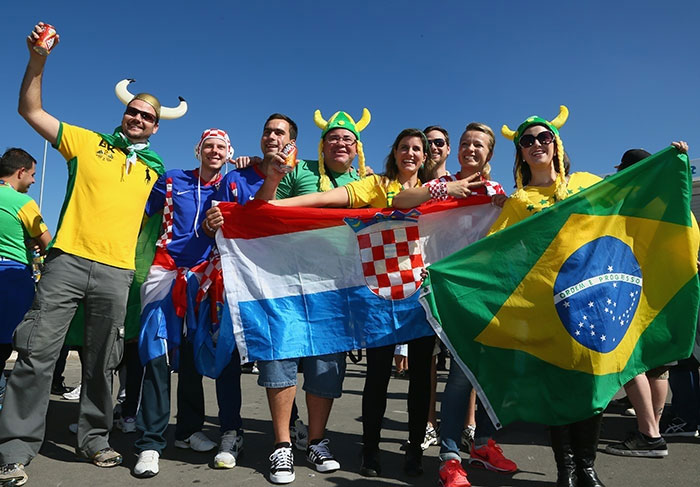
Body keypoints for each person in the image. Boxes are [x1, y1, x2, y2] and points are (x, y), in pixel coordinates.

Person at [0, 22, 186, 486]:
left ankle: (96, 439)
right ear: (124, 113)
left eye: (147, 116)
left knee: (104, 362)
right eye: (134, 112)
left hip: (117, 274)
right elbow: (30, 109)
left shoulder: (155, 171)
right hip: (65, 262)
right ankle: (15, 450)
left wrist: (244, 162)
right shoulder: (86, 142)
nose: (138, 119)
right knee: (37, 355)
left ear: (157, 126)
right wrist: (38, 59)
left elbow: (200, 188)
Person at [262, 127, 465, 479]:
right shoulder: (377, 186)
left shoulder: (442, 190)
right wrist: (271, 207)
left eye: (417, 149)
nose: (411, 154)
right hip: (378, 295)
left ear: (425, 156)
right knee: (377, 378)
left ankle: (415, 451)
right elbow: (328, 200)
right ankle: (369, 452)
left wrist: (491, 199)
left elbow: (464, 223)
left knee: (421, 380)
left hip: (420, 296)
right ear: (394, 152)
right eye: (404, 147)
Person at [220, 110, 370, 484]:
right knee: (279, 357)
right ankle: (282, 445)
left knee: (326, 364)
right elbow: (262, 210)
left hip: (333, 288)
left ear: (356, 149)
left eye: (347, 139)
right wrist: (271, 176)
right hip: (284, 282)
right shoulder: (297, 170)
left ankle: (317, 440)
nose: (340, 143)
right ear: (321, 145)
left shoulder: (365, 182)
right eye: (333, 138)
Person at [133, 128, 267, 477]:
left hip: (206, 277)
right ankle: (149, 442)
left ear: (228, 153)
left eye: (221, 147)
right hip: (166, 271)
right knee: (157, 353)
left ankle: (188, 430)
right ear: (198, 150)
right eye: (209, 145)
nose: (214, 151)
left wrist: (253, 163)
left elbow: (265, 191)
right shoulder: (172, 179)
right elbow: (137, 214)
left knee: (193, 353)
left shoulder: (230, 186)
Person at [393, 123, 518, 487]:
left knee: (478, 374)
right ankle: (449, 456)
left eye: (478, 145)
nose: (470, 149)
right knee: (454, 378)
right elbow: (400, 202)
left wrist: (502, 208)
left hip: (479, 295)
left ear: (489, 155)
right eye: (465, 143)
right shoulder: (440, 184)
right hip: (435, 291)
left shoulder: (496, 192)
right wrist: (445, 188)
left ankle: (480, 445)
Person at [489, 106, 604, 487]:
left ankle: (588, 468)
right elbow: (493, 250)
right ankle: (566, 471)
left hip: (592, 299)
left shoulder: (588, 183)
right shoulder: (518, 203)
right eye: (527, 141)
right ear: (520, 152)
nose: (536, 144)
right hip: (546, 305)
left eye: (543, 138)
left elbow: (627, 202)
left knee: (592, 383)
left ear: (556, 144)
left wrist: (672, 161)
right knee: (558, 386)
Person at [605, 145, 689, 458]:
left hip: (632, 287)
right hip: (664, 290)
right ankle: (650, 428)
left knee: (628, 360)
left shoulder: (629, 201)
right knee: (658, 365)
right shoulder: (668, 201)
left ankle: (648, 433)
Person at [0, 148, 51, 404]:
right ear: (20, 172)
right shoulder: (22, 203)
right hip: (11, 279)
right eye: (32, 175)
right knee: (9, 343)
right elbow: (48, 243)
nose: (32, 181)